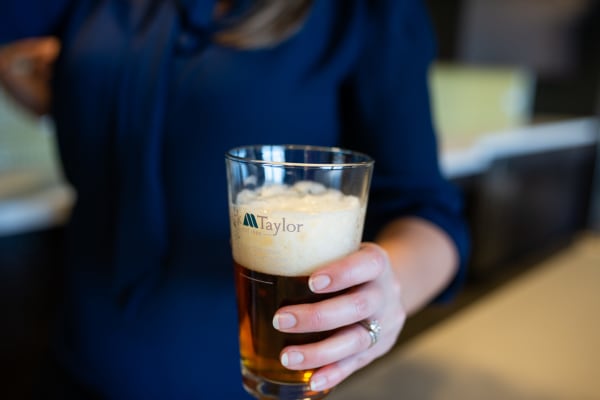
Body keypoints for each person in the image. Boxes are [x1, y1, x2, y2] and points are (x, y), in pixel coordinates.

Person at [0, 1, 469, 398]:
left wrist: (384, 299)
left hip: (249, 383)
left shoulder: (366, 11)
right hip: (73, 366)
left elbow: (426, 211)